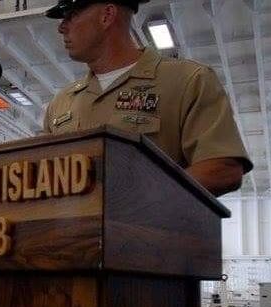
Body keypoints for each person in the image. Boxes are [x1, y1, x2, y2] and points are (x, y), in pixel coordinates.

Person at [43, 0, 252, 196]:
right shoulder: (61, 103)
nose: (62, 27)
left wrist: (134, 201)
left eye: (71, 15)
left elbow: (223, 168)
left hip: (153, 223)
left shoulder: (187, 81)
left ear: (107, 15)